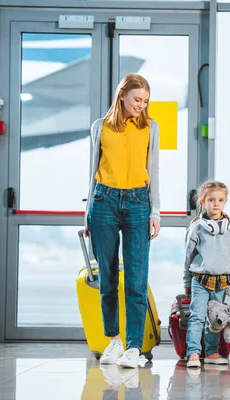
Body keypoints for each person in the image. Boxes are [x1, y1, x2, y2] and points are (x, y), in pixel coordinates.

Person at [84, 73, 161, 369]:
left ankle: (133, 348)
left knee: (136, 280)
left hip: (139, 203)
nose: (141, 105)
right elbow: (91, 171)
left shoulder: (151, 128)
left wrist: (156, 212)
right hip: (103, 202)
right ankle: (113, 341)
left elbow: (154, 170)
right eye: (136, 100)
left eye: (145, 101)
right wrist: (88, 212)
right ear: (122, 97)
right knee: (106, 278)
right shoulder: (99, 127)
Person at [184, 180, 230, 368]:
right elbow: (188, 257)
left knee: (216, 319)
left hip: (223, 282)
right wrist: (187, 283)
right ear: (203, 201)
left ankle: (211, 353)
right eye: (211, 199)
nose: (216, 203)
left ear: (225, 202)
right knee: (197, 317)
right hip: (200, 280)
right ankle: (193, 353)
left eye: (220, 200)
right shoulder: (197, 227)